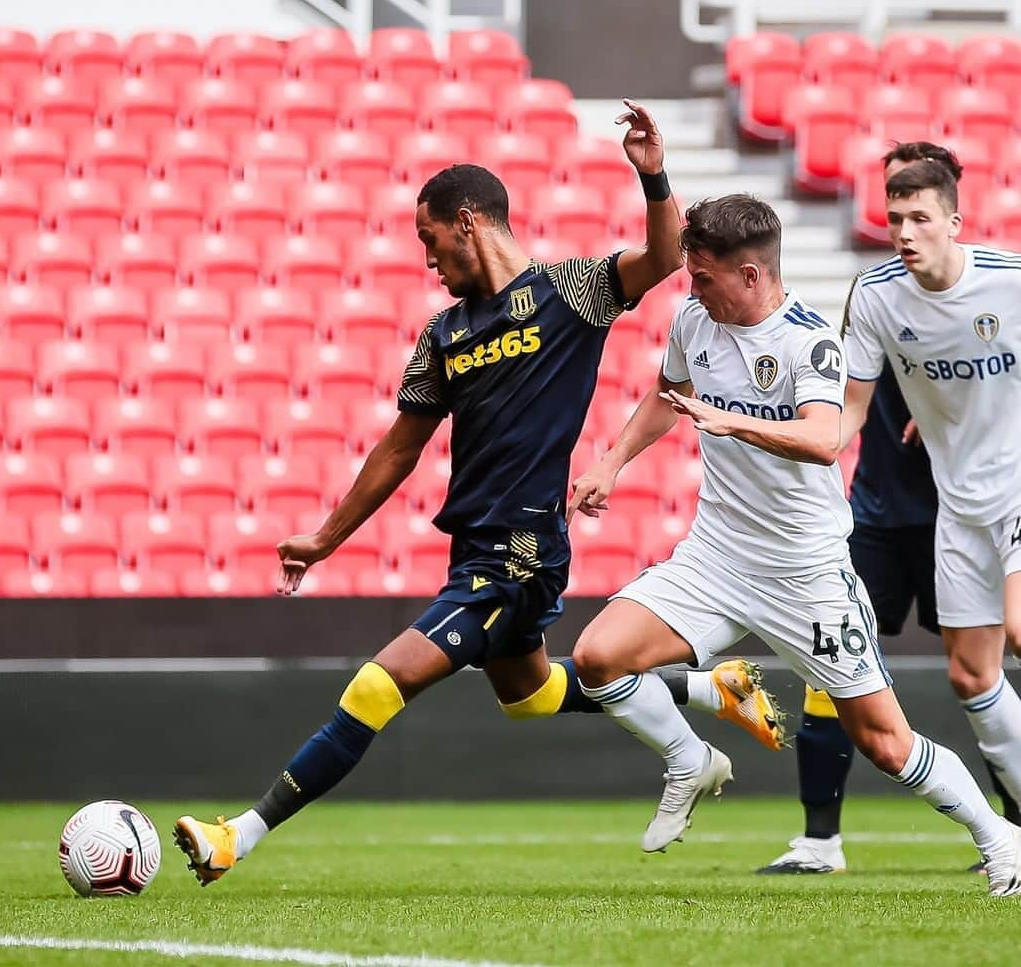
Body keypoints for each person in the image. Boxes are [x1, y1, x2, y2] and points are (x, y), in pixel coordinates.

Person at [172, 103, 782, 886]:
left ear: (467, 223)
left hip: (518, 551)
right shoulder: (443, 334)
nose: (428, 261)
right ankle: (708, 688)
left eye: (430, 240)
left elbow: (666, 255)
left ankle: (240, 836)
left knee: (376, 684)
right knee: (529, 695)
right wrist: (326, 538)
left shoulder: (572, 292)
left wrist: (651, 171)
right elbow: (401, 445)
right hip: (477, 545)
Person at [567, 191, 1021, 896]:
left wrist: (729, 421)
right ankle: (690, 759)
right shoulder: (694, 319)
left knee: (883, 743)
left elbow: (821, 439)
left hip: (805, 574)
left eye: (705, 276)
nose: (693, 289)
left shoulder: (809, 341)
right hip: (716, 557)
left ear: (751, 275)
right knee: (598, 657)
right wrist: (609, 463)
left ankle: (1002, 840)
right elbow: (666, 394)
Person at [838, 156, 1021, 862]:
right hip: (960, 505)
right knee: (971, 675)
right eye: (895, 221)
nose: (905, 234)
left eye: (920, 219)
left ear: (954, 222)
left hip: (1016, 489)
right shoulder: (878, 297)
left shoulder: (1008, 282)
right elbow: (849, 414)